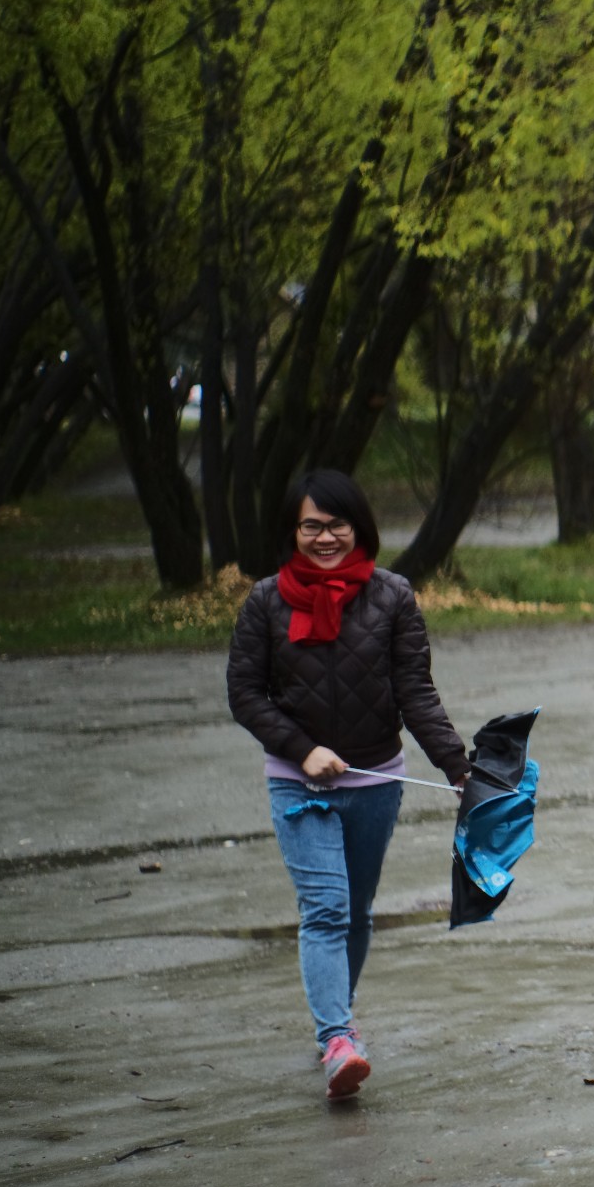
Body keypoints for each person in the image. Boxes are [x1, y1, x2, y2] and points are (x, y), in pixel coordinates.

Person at [227, 470, 471, 1100]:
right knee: (327, 910)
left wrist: (459, 768)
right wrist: (302, 751)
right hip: (297, 782)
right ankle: (337, 1038)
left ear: (358, 527)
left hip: (375, 781)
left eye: (337, 524)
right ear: (292, 530)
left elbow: (416, 693)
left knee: (355, 913)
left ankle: (340, 1018)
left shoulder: (392, 598)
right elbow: (245, 694)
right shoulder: (264, 603)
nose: (325, 536)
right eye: (312, 525)